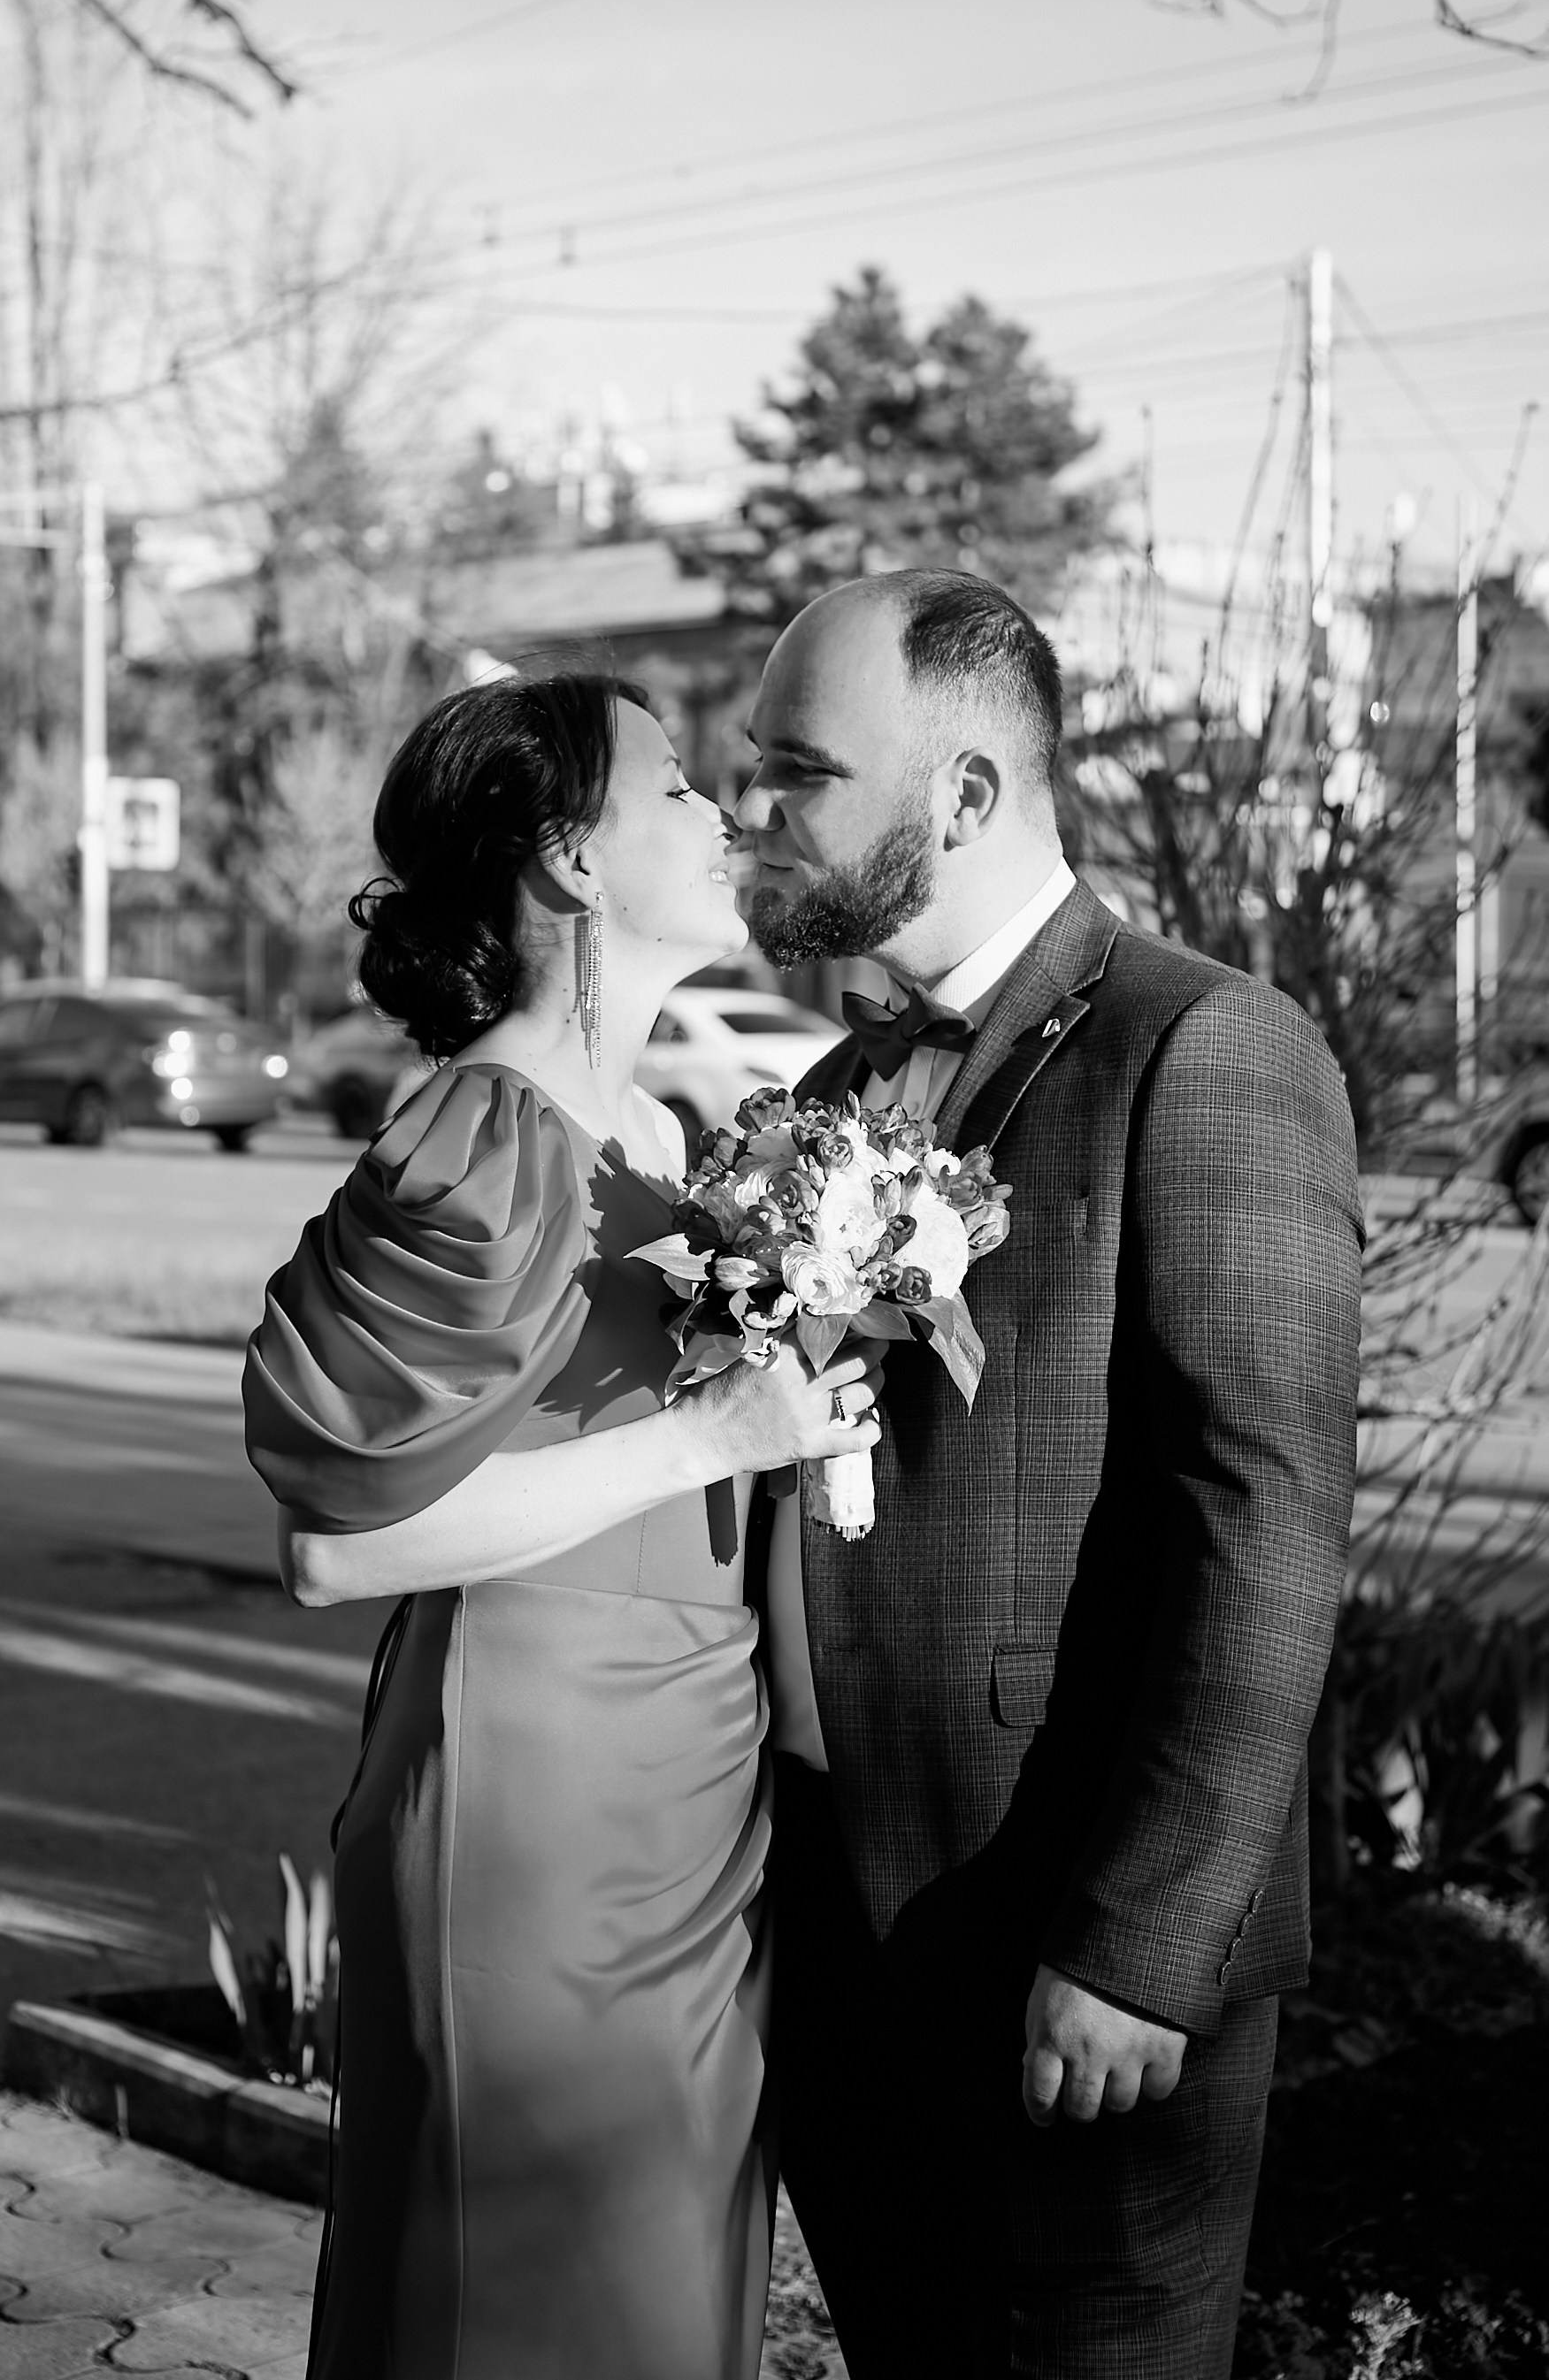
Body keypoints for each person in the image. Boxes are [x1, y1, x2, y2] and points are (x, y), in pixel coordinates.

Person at [734, 570, 1363, 2379]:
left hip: (1064, 1939)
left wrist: (1143, 1945)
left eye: (799, 769)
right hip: (836, 1936)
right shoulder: (831, 1088)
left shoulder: (1205, 1049)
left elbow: (1263, 1535)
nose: (757, 807)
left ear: (962, 797)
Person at [242, 671, 884, 2380]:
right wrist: (707, 1438)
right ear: (573, 862)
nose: (720, 810)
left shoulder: (672, 1136)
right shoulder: (484, 1132)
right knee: (526, 2307)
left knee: (663, 2302)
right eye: (673, 785)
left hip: (696, 1792)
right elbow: (336, 1545)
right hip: (533, 1802)